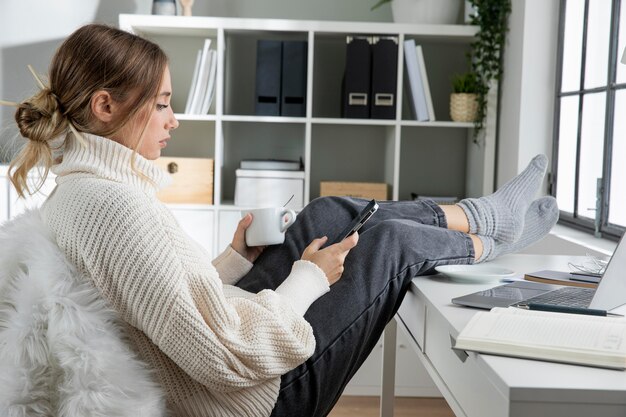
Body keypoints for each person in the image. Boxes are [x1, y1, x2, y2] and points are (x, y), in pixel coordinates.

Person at [0, 24, 558, 417]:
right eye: (164, 102)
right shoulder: (113, 209)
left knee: (325, 212)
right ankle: (490, 241)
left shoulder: (87, 191)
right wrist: (309, 279)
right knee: (385, 241)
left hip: (229, 359)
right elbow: (220, 355)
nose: (175, 118)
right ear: (105, 106)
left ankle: (482, 216)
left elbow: (157, 303)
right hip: (258, 396)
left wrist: (235, 260)